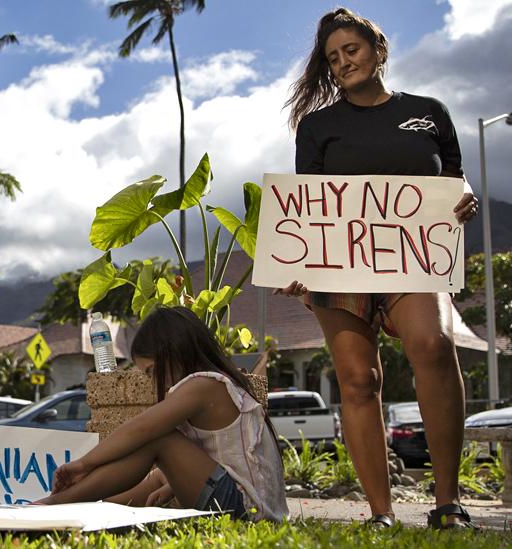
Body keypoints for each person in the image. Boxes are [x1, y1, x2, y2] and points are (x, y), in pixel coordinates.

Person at [279, 8, 479, 529]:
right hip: (343, 266)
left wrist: (466, 198)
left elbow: (454, 181)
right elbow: (311, 206)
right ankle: (381, 513)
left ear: (378, 50)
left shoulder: (429, 112)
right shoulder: (317, 126)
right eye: (333, 58)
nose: (344, 62)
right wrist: (303, 268)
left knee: (433, 346)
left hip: (415, 258)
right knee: (357, 379)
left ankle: (447, 502)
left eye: (352, 50)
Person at [38, 307, 287, 522]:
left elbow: (142, 429)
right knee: (159, 476)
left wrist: (84, 464)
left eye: (151, 370)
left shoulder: (204, 385)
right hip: (247, 503)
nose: (152, 379)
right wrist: (171, 485)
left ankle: (56, 504)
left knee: (160, 440)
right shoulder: (219, 385)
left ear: (177, 351)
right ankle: (94, 505)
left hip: (247, 510)